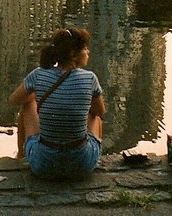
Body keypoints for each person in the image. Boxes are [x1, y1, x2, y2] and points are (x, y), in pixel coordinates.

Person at [8, 26, 105, 180]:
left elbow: (14, 100)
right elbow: (100, 111)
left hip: (43, 166)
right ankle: (92, 155)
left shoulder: (38, 74)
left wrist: (39, 94)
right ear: (73, 54)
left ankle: (21, 157)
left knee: (27, 106)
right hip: (82, 166)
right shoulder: (90, 78)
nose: (88, 52)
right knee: (95, 116)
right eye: (85, 49)